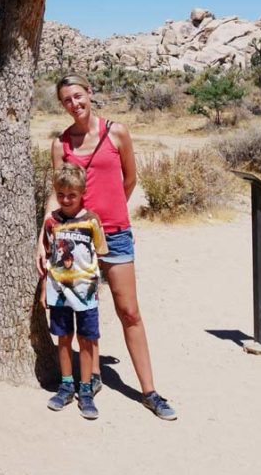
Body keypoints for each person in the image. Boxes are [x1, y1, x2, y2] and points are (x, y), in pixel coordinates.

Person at [37, 74, 177, 421]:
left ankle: (150, 391)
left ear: (90, 93)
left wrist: (108, 216)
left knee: (128, 310)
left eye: (79, 96)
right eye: (67, 99)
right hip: (72, 240)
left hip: (113, 234)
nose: (75, 104)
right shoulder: (61, 144)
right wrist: (44, 237)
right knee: (78, 310)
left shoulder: (117, 132)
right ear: (62, 104)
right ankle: (88, 379)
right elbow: (58, 191)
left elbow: (130, 178)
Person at [42, 163, 108, 420]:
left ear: (82, 193)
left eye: (72, 195)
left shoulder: (91, 220)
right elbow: (49, 256)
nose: (66, 200)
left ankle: (86, 388)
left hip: (85, 290)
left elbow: (100, 252)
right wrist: (43, 293)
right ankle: (67, 384)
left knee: (87, 339)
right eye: (61, 195)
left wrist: (94, 285)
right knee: (64, 337)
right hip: (58, 290)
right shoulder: (52, 221)